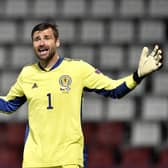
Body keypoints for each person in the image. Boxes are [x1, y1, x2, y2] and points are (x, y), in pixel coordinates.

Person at [0, 22, 163, 168]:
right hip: (34, 161)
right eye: (37, 39)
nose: (41, 43)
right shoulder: (27, 74)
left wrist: (137, 75)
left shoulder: (78, 69)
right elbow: (8, 105)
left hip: (68, 159)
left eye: (47, 38)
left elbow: (114, 90)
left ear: (57, 42)